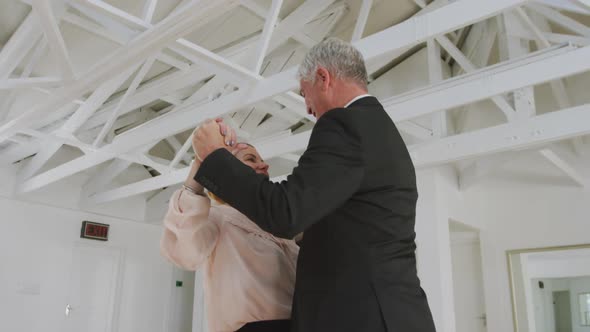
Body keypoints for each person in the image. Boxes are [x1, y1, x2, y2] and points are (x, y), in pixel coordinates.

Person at [192, 38, 436, 332]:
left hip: (363, 318)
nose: (307, 108)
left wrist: (215, 157)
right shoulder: (377, 128)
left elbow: (285, 212)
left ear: (323, 77)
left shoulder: (344, 124)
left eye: (304, 93)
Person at [160, 141, 299, 332]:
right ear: (228, 170)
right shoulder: (218, 217)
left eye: (262, 160)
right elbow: (184, 254)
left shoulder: (278, 224)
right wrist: (202, 162)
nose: (265, 165)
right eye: (251, 159)